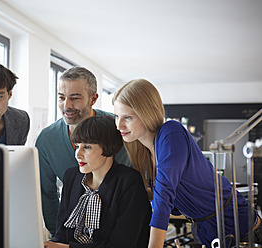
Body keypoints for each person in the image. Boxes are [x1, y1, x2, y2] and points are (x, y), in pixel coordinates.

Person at [112, 79, 261, 248]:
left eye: (127, 117)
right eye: (117, 116)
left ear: (147, 113)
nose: (119, 125)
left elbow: (164, 199)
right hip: (208, 231)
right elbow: (168, 198)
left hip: (237, 226)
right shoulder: (144, 151)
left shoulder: (171, 132)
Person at [35, 66, 131, 236]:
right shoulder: (47, 139)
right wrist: (58, 235)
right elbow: (46, 193)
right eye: (61, 97)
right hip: (73, 230)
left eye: (75, 98)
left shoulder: (117, 128)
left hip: (117, 226)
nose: (66, 105)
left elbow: (132, 180)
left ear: (93, 99)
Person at [44, 115, 151, 248]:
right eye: (77, 146)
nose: (78, 154)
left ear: (108, 147)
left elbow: (121, 245)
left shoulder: (129, 182)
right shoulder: (71, 176)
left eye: (87, 147)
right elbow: (62, 233)